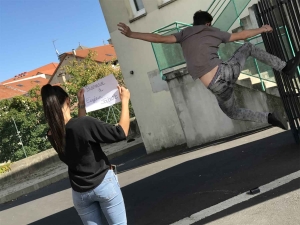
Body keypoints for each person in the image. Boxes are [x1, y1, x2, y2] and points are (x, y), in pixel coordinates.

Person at [117, 11, 300, 130]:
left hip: (216, 88)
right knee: (247, 47)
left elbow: (158, 38)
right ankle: (285, 67)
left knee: (232, 112)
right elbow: (241, 35)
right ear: (208, 23)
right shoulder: (212, 31)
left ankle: (269, 118)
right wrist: (262, 28)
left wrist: (132, 34)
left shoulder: (184, 34)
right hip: (224, 74)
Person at [41, 84, 130, 225]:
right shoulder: (84, 124)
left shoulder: (52, 134)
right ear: (68, 101)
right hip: (103, 184)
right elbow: (121, 132)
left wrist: (81, 106)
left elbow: (76, 130)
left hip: (80, 193)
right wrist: (125, 101)